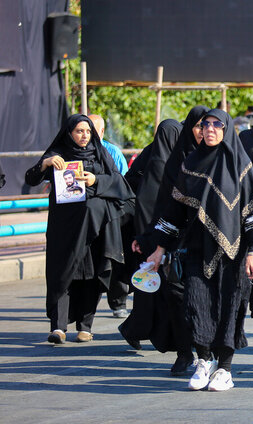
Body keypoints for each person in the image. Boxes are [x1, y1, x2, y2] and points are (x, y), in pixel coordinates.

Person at [146, 108, 253, 392]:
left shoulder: (241, 164)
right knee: (196, 305)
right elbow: (174, 211)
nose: (209, 129)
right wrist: (159, 248)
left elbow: (252, 212)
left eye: (216, 125)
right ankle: (204, 360)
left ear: (225, 130)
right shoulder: (191, 164)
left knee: (229, 308)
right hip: (198, 249)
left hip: (234, 253)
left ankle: (225, 368)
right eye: (205, 124)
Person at [25, 114, 135, 345]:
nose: (84, 136)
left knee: (90, 274)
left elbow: (120, 184)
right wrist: (44, 164)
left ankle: (85, 327)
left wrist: (96, 180)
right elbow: (32, 178)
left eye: (87, 131)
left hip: (94, 229)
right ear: (69, 133)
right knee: (61, 273)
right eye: (79, 131)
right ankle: (58, 327)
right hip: (63, 228)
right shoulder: (57, 154)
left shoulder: (100, 154)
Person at [119, 119, 196, 375]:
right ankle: (182, 347)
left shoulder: (159, 160)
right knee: (170, 292)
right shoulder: (173, 166)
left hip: (163, 235)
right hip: (164, 237)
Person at [88, 114, 131, 317]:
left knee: (113, 257)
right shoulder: (75, 153)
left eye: (92, 130)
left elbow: (123, 182)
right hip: (87, 216)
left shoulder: (112, 152)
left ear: (102, 132)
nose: (87, 135)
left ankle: (118, 302)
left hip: (112, 213)